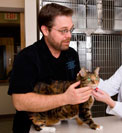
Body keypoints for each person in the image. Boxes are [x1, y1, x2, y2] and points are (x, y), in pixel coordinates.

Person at [8, 3, 92, 133]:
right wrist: (65, 98)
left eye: (71, 29)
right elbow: (19, 102)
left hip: (64, 125)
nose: (69, 35)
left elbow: (75, 84)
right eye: (63, 30)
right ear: (45, 30)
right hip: (32, 127)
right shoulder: (27, 57)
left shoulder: (71, 54)